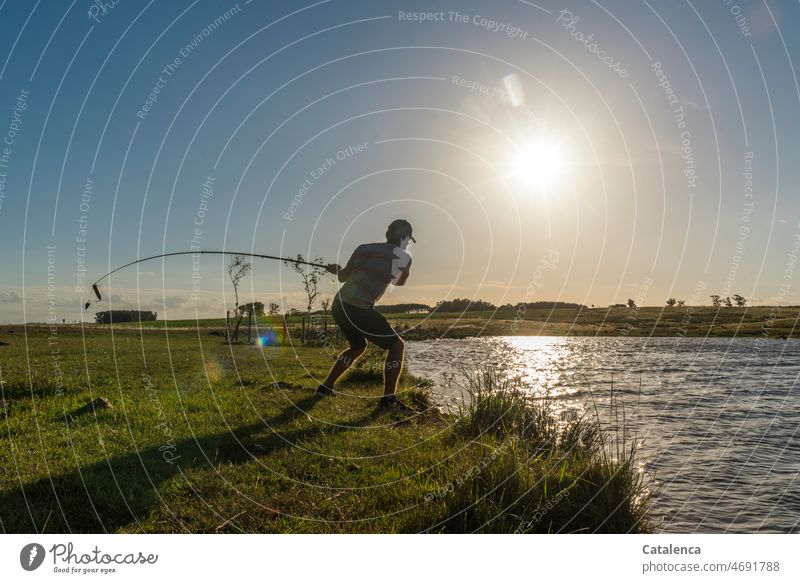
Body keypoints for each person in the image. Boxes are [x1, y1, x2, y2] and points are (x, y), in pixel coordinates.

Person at [318, 219, 415, 408]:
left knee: (357, 347)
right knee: (396, 346)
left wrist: (337, 269)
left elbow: (343, 276)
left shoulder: (363, 248)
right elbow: (399, 282)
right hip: (358, 307)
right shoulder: (404, 256)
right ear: (405, 238)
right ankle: (388, 399)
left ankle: (326, 387)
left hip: (339, 305)